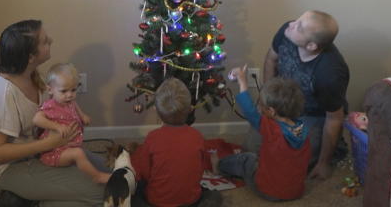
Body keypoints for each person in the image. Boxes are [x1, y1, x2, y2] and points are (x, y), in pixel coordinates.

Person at [0, 20, 109, 207]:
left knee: (103, 169)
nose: (51, 41)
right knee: (100, 194)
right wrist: (48, 143)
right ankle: (27, 200)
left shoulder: (30, 73)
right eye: (45, 41)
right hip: (10, 168)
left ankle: (27, 196)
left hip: (43, 152)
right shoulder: (2, 94)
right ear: (31, 56)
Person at [246, 10, 349, 180]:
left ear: (311, 46)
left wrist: (323, 163)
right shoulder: (287, 32)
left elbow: (334, 118)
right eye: (297, 20)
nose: (291, 24)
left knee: (291, 158)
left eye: (298, 27)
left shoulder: (329, 74)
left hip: (311, 116)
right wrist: (265, 99)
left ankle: (335, 148)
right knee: (252, 147)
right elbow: (271, 60)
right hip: (281, 104)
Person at [219, 65, 310, 201]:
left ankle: (218, 166)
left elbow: (249, 111)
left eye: (261, 105)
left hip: (268, 190)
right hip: (296, 192)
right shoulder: (304, 128)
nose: (259, 107)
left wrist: (242, 82)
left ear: (271, 111)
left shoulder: (271, 129)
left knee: (247, 159)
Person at [130, 78, 214, 207]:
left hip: (157, 202)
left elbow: (145, 172)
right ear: (190, 109)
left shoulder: (153, 138)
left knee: (135, 191)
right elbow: (202, 167)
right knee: (211, 195)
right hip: (191, 201)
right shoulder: (197, 136)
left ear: (156, 111)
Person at [34, 63, 110, 184]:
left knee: (85, 156)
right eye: (64, 91)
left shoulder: (69, 102)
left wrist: (82, 115)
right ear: (50, 90)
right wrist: (57, 126)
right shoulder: (50, 105)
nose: (70, 95)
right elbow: (37, 119)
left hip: (68, 145)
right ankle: (97, 176)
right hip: (54, 152)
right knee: (78, 154)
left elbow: (75, 106)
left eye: (73, 90)